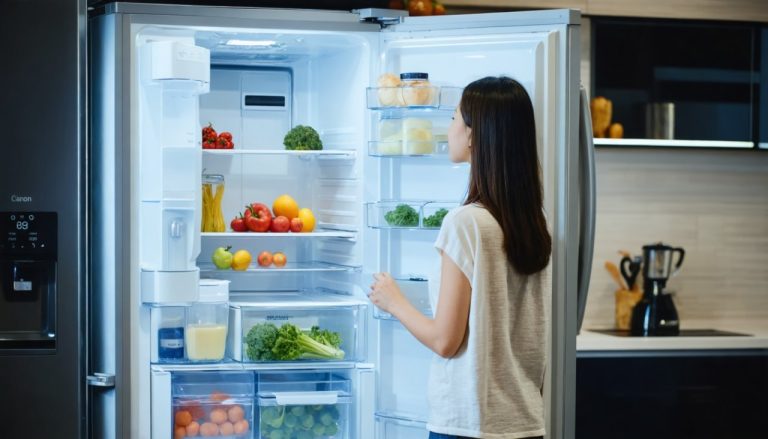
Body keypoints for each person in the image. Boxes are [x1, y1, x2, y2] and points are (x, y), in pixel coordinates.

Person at [367, 76, 552, 439]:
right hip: (524, 421)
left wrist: (394, 301)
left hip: (468, 424)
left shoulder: (466, 223)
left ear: (472, 134)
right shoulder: (532, 221)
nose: (449, 128)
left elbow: (445, 341)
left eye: (453, 118)